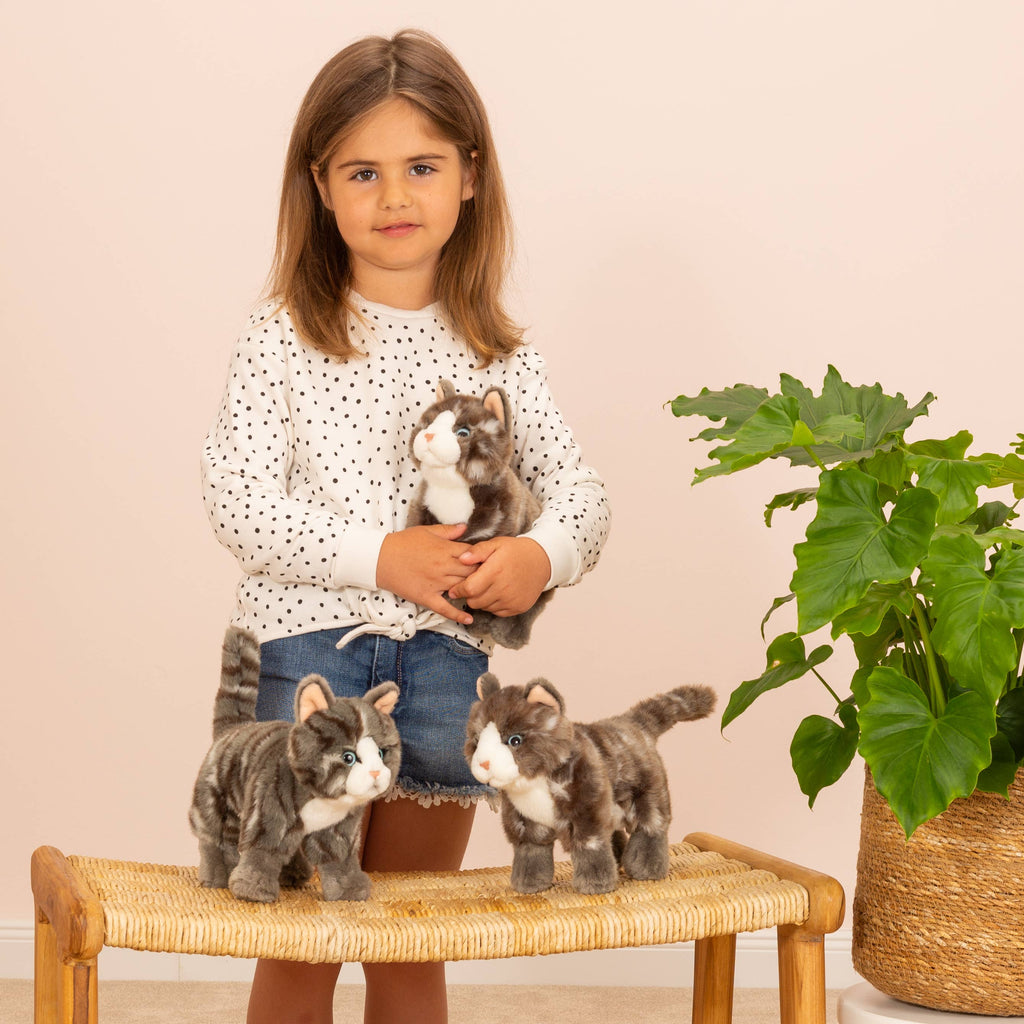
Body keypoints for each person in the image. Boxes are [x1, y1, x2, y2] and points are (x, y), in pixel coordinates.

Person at [201, 29, 610, 1024]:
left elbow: (585, 498)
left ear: (469, 176)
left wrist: (538, 555)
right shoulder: (283, 338)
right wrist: (380, 554)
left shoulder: (499, 354)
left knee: (407, 939)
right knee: (300, 936)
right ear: (320, 184)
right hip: (308, 655)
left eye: (421, 167)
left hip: (440, 670)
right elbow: (237, 500)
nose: (393, 198)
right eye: (364, 172)